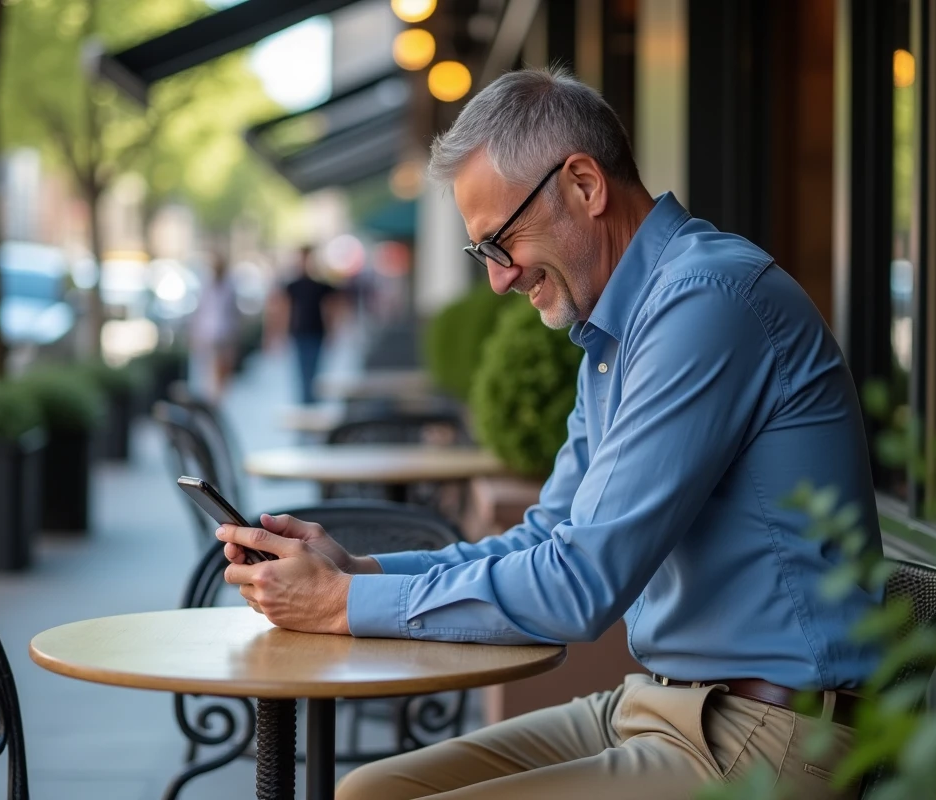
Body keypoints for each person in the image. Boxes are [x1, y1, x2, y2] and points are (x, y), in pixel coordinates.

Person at [217, 68, 883, 799]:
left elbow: (581, 584)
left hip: (768, 735)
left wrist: (341, 607)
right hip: (665, 703)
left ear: (585, 186)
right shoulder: (617, 332)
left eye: (499, 242)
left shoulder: (705, 303)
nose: (499, 281)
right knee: (370, 790)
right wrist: (360, 575)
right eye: (483, 255)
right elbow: (545, 538)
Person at [271, 246, 336, 404]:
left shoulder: (321, 286)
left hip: (316, 330)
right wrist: (280, 332)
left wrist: (332, 330)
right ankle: (305, 401)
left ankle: (310, 400)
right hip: (299, 331)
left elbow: (331, 308)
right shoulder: (293, 286)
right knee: (302, 370)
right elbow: (284, 310)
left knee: (314, 368)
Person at [188, 254, 240, 400]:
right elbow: (199, 311)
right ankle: (211, 396)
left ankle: (217, 396)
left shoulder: (229, 286)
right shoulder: (206, 286)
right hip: (207, 334)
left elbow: (233, 312)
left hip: (224, 333)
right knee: (208, 368)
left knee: (222, 368)